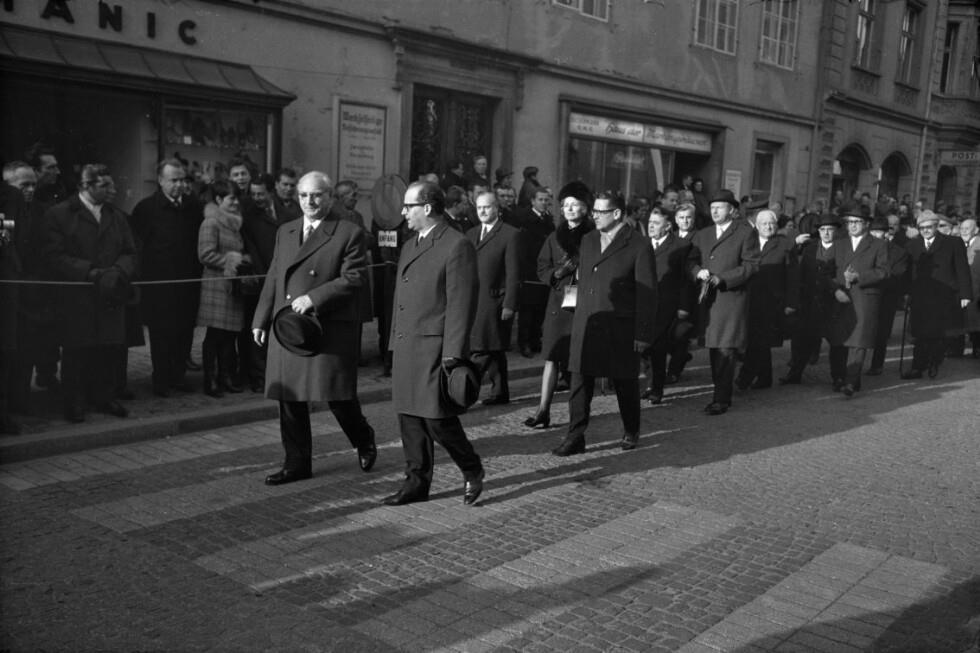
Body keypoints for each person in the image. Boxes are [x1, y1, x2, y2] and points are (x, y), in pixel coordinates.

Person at [252, 171, 377, 485]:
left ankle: (363, 438)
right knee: (289, 397)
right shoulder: (286, 231)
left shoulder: (348, 232)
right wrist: (261, 319)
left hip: (326, 327)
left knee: (337, 396)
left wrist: (314, 298)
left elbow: (354, 278)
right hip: (289, 325)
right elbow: (275, 275)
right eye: (304, 195)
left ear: (330, 197)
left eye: (317, 195)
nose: (310, 201)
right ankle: (296, 463)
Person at [383, 181, 485, 506]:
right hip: (407, 345)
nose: (403, 212)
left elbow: (461, 303)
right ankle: (416, 482)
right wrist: (394, 341)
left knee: (437, 420)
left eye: (408, 206)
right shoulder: (409, 245)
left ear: (427, 208)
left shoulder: (456, 245)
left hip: (435, 349)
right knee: (409, 418)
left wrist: (453, 354)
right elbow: (401, 298)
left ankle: (471, 468)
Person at [552, 191, 657, 456]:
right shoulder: (588, 240)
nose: (594, 216)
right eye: (594, 211)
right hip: (587, 323)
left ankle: (631, 430)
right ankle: (575, 436)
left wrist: (643, 333)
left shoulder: (638, 244)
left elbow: (647, 294)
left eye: (600, 211)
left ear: (617, 213)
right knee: (579, 384)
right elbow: (581, 279)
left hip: (620, 328)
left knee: (624, 383)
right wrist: (571, 310)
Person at [43, 164, 136, 423]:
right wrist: (90, 272)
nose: (112, 190)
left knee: (107, 349)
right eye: (104, 185)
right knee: (77, 351)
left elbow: (130, 251)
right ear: (85, 186)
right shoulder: (59, 214)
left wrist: (118, 272)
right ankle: (74, 401)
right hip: (78, 297)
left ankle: (103, 397)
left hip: (110, 294)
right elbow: (54, 256)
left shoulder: (116, 215)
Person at [130, 159, 205, 396]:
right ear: (161, 181)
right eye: (174, 180)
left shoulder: (194, 207)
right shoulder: (146, 209)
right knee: (162, 333)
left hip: (188, 283)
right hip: (159, 286)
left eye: (182, 180)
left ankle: (178, 376)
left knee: (184, 331)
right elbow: (137, 246)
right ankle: (161, 380)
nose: (179, 185)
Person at [524, 182, 595, 429]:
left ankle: (578, 415)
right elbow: (542, 266)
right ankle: (543, 410)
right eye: (565, 205)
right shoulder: (554, 237)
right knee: (551, 357)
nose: (569, 209)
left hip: (585, 304)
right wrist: (557, 273)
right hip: (558, 303)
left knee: (579, 361)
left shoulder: (594, 236)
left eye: (575, 204)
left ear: (586, 207)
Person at [687, 189, 759, 415]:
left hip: (730, 300)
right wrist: (697, 272)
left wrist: (724, 279)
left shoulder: (745, 232)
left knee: (726, 349)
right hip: (709, 301)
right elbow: (690, 261)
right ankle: (720, 392)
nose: (715, 211)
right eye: (712, 207)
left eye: (720, 207)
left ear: (732, 210)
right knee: (714, 348)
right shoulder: (703, 234)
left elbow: (751, 265)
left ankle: (721, 399)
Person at [901, 210, 972, 379]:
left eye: (929, 227)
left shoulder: (952, 243)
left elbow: (962, 270)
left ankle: (934, 362)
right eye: (922, 228)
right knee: (919, 333)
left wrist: (965, 294)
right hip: (920, 296)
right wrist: (905, 293)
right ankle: (918, 367)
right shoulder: (912, 245)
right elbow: (908, 273)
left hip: (944, 296)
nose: (925, 230)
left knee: (939, 333)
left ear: (936, 226)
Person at [828, 201, 888, 396]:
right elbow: (828, 271)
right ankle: (840, 377)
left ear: (866, 224)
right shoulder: (839, 244)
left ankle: (851, 382)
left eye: (857, 222)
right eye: (849, 222)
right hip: (841, 297)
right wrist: (835, 290)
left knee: (858, 341)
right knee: (840, 339)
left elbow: (883, 271)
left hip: (864, 298)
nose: (852, 226)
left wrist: (859, 277)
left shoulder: (878, 244)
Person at [196, 181, 249, 397]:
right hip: (216, 286)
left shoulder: (234, 223)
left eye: (237, 198)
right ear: (218, 200)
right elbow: (205, 254)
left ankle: (224, 377)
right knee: (215, 335)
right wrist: (232, 260)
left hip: (232, 286)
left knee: (229, 335)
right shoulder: (211, 222)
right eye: (231, 198)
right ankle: (210, 380)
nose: (236, 202)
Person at [467, 191, 521, 405]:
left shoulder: (510, 234)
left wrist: (510, 304)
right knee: (494, 348)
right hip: (474, 300)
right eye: (479, 207)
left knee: (482, 348)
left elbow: (513, 273)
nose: (482, 211)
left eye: (487, 207)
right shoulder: (471, 234)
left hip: (494, 302)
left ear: (497, 209)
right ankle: (500, 392)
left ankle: (464, 392)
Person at [736, 210, 799, 389]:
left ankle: (744, 378)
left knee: (759, 340)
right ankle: (765, 378)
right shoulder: (749, 242)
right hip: (750, 299)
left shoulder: (785, 244)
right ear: (757, 226)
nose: (768, 227)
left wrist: (791, 302)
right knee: (758, 340)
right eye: (764, 223)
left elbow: (793, 276)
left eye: (772, 223)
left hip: (772, 301)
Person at [781, 214, 844, 384]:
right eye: (823, 230)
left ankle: (838, 378)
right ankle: (795, 374)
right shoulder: (811, 249)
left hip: (832, 304)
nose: (826, 233)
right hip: (810, 303)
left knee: (837, 343)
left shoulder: (843, 249)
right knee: (803, 340)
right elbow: (801, 274)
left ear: (836, 231)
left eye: (830, 230)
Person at [642, 205, 692, 404]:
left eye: (656, 223)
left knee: (658, 347)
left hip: (667, 306)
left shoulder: (681, 246)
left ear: (668, 226)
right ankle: (650, 383)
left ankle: (656, 388)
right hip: (644, 303)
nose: (651, 226)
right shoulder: (642, 244)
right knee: (645, 346)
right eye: (649, 222)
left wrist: (683, 307)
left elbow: (686, 281)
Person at [867, 215, 910, 375]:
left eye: (878, 232)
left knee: (881, 333)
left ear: (886, 234)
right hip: (865, 295)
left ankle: (876, 364)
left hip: (886, 297)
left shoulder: (898, 252)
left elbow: (896, 275)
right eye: (872, 232)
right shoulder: (863, 248)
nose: (875, 235)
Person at [514, 188, 555, 357]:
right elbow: (522, 249)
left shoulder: (549, 220)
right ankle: (524, 343)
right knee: (527, 311)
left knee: (540, 309)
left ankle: (535, 340)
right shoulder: (526, 220)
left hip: (544, 270)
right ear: (533, 201)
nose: (544, 203)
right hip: (530, 271)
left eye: (546, 200)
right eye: (540, 199)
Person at [666, 202, 698, 383]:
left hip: (688, 292)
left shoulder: (698, 238)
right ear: (676, 220)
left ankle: (674, 371)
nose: (685, 221)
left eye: (688, 218)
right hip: (669, 292)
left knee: (681, 334)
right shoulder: (670, 237)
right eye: (681, 218)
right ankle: (682, 356)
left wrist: (685, 303)